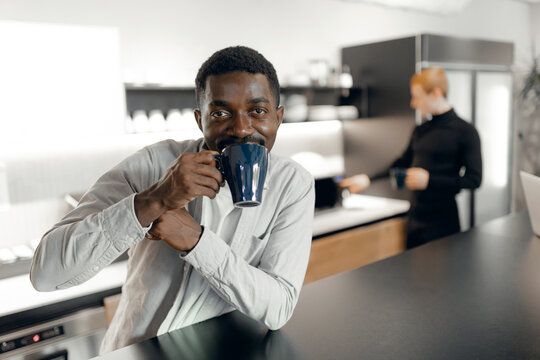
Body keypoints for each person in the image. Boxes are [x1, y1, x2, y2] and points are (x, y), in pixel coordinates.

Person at [30, 46, 315, 354]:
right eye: (220, 113)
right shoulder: (152, 164)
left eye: (257, 111)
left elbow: (278, 308)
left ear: (279, 117)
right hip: (133, 351)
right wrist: (153, 200)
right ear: (199, 120)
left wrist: (195, 240)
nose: (241, 128)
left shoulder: (292, 184)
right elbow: (46, 275)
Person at [340, 67, 482, 249]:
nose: (413, 103)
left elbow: (474, 180)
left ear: (436, 94)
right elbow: (401, 162)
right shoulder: (421, 130)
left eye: (417, 96)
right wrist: (368, 179)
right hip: (415, 218)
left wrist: (430, 180)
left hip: (443, 223)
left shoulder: (465, 132)